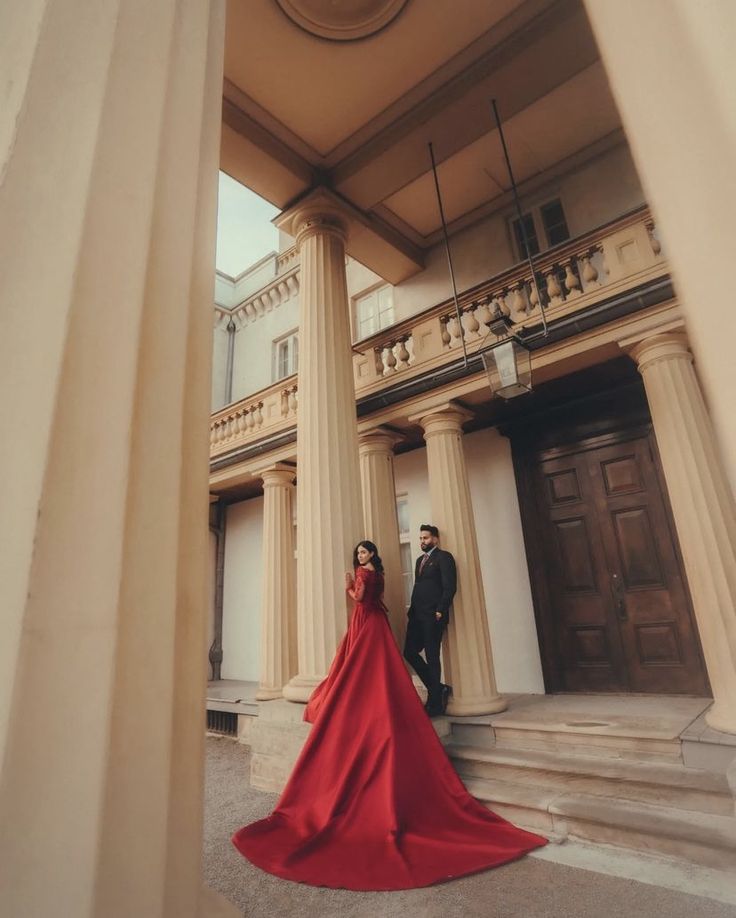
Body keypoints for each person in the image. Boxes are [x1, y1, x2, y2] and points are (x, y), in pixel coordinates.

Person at [231, 540, 546, 890]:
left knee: (362, 668)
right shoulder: (378, 573)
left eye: (364, 553)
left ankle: (363, 701)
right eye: (359, 554)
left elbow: (360, 598)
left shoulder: (367, 574)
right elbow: (370, 598)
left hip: (367, 621)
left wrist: (349, 583)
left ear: (371, 555)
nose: (361, 557)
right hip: (373, 622)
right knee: (375, 668)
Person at [403, 524, 456, 716]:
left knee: (433, 657)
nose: (422, 541)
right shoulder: (419, 561)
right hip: (417, 615)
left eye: (425, 538)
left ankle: (435, 703)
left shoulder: (444, 557)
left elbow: (449, 586)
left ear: (435, 539)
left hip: (434, 615)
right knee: (409, 652)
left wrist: (441, 610)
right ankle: (438, 688)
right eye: (420, 538)